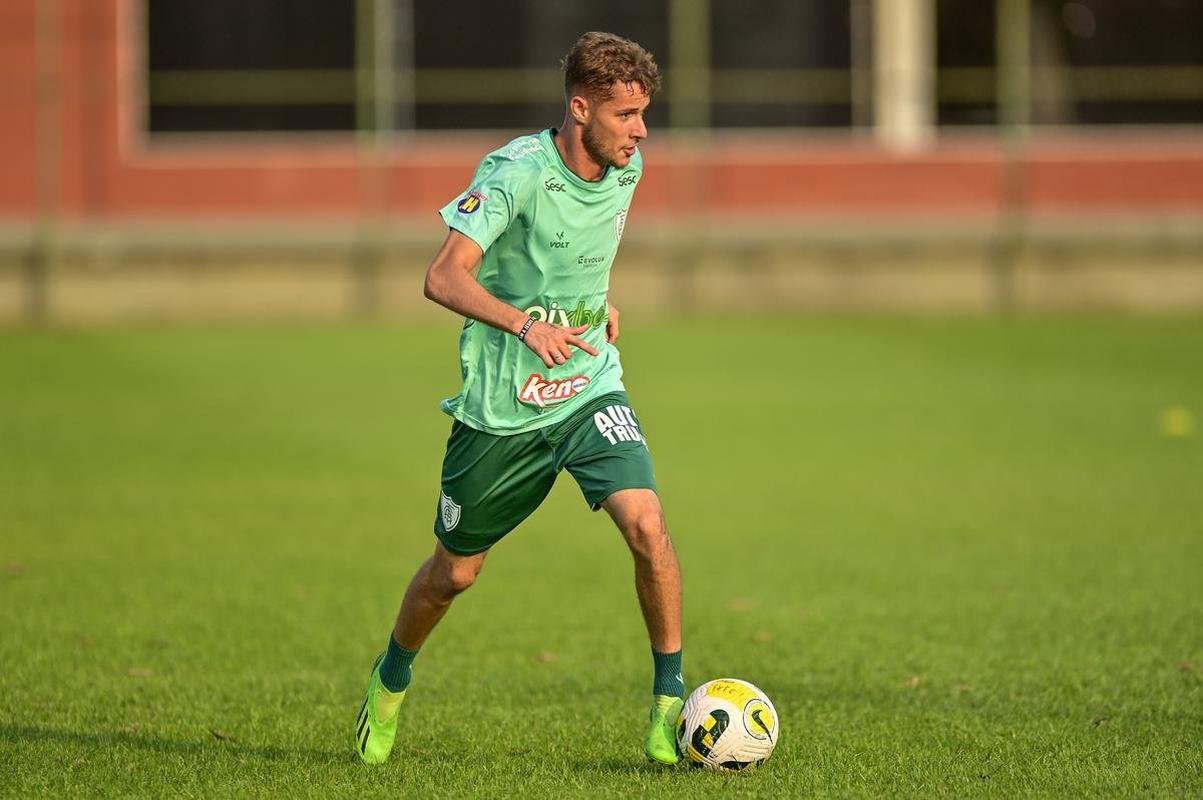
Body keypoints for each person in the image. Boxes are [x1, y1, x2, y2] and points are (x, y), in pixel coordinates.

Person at [354, 31, 684, 767]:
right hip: (504, 408)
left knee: (647, 525)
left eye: (643, 113)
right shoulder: (514, 174)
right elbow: (443, 277)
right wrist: (526, 325)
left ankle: (668, 706)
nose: (640, 131)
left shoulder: (625, 167)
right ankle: (390, 677)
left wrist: (598, 306)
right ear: (579, 108)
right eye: (626, 115)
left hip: (589, 385)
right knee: (453, 575)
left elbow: (577, 252)